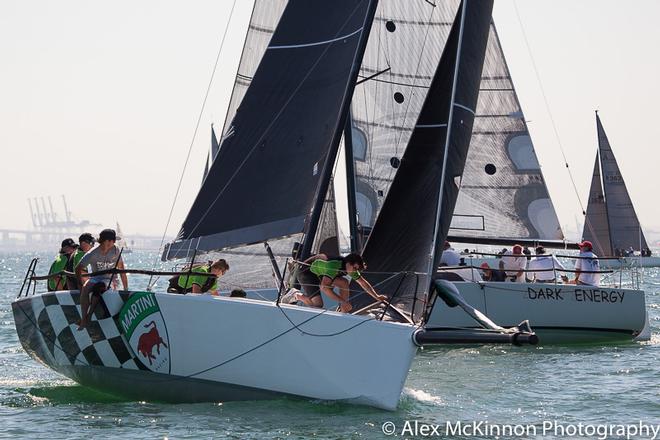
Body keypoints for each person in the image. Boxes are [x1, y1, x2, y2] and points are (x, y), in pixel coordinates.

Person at [295, 253, 386, 313]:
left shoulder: (349, 268)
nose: (356, 271)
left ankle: (343, 311)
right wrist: (343, 301)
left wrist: (377, 296)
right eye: (355, 268)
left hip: (320, 273)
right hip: (306, 273)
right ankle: (295, 295)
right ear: (349, 263)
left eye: (357, 269)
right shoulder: (334, 265)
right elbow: (324, 287)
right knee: (318, 305)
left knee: (344, 282)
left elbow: (363, 283)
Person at [76, 229, 128, 329]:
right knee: (86, 287)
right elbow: (78, 268)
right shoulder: (92, 253)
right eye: (110, 241)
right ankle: (83, 318)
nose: (112, 243)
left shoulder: (116, 250)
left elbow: (122, 269)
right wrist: (79, 283)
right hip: (96, 277)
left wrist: (126, 289)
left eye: (113, 241)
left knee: (99, 287)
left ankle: (89, 316)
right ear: (104, 241)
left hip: (110, 280)